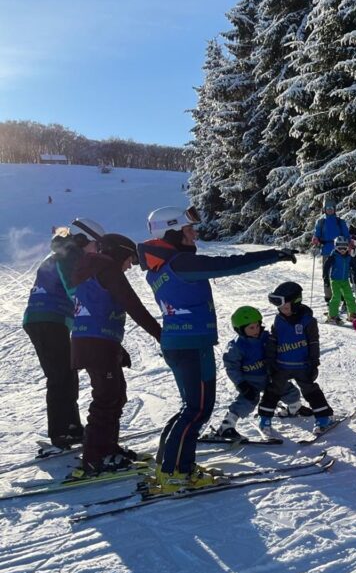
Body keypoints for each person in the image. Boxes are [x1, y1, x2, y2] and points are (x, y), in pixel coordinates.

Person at [138, 205, 297, 493]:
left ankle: (170, 465)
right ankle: (175, 473)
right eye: (188, 229)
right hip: (191, 344)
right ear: (172, 232)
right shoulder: (179, 264)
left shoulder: (161, 267)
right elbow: (228, 265)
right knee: (197, 410)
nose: (194, 234)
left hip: (182, 343)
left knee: (192, 408)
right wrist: (272, 255)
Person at [68, 234, 162, 478]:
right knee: (106, 398)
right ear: (119, 252)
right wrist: (162, 335)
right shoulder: (107, 268)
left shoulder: (95, 269)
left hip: (95, 342)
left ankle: (108, 448)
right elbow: (133, 306)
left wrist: (117, 349)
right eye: (130, 259)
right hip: (95, 344)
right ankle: (94, 458)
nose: (130, 265)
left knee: (116, 394)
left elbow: (100, 309)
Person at [22, 218, 104, 451]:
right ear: (82, 240)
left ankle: (69, 427)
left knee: (66, 372)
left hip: (47, 319)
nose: (97, 251)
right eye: (96, 245)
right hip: (48, 319)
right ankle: (61, 431)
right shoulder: (70, 254)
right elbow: (74, 287)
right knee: (60, 375)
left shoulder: (65, 251)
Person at [209, 306, 308, 440]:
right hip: (251, 381)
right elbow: (231, 367)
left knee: (289, 390)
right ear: (240, 329)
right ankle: (227, 426)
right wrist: (242, 384)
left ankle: (294, 408)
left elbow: (280, 346)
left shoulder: (266, 337)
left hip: (270, 376)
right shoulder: (236, 346)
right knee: (247, 401)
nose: (256, 330)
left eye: (257, 326)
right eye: (251, 328)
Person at [257, 281, 334, 437]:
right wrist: (270, 361)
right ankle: (265, 417)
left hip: (302, 366)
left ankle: (323, 417)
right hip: (282, 366)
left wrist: (314, 362)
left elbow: (313, 342)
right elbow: (273, 341)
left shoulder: (308, 321)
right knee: (273, 390)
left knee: (310, 390)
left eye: (286, 307)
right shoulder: (279, 320)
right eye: (280, 308)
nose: (283, 311)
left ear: (296, 304)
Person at [312, 198, 350, 304]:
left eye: (331, 208)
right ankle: (328, 297)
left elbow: (346, 235)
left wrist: (349, 244)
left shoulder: (340, 221)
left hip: (340, 251)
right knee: (326, 274)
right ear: (324, 209)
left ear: (334, 209)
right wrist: (315, 239)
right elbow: (317, 234)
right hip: (327, 251)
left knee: (340, 274)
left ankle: (343, 298)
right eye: (327, 208)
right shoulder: (321, 222)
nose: (329, 210)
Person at [326, 240, 356, 323]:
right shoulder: (333, 256)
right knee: (336, 297)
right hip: (335, 280)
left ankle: (352, 314)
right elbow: (326, 266)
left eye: (344, 248)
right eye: (340, 247)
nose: (342, 250)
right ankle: (332, 315)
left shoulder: (348, 257)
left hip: (345, 280)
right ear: (335, 247)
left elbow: (354, 267)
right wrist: (325, 278)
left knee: (350, 297)